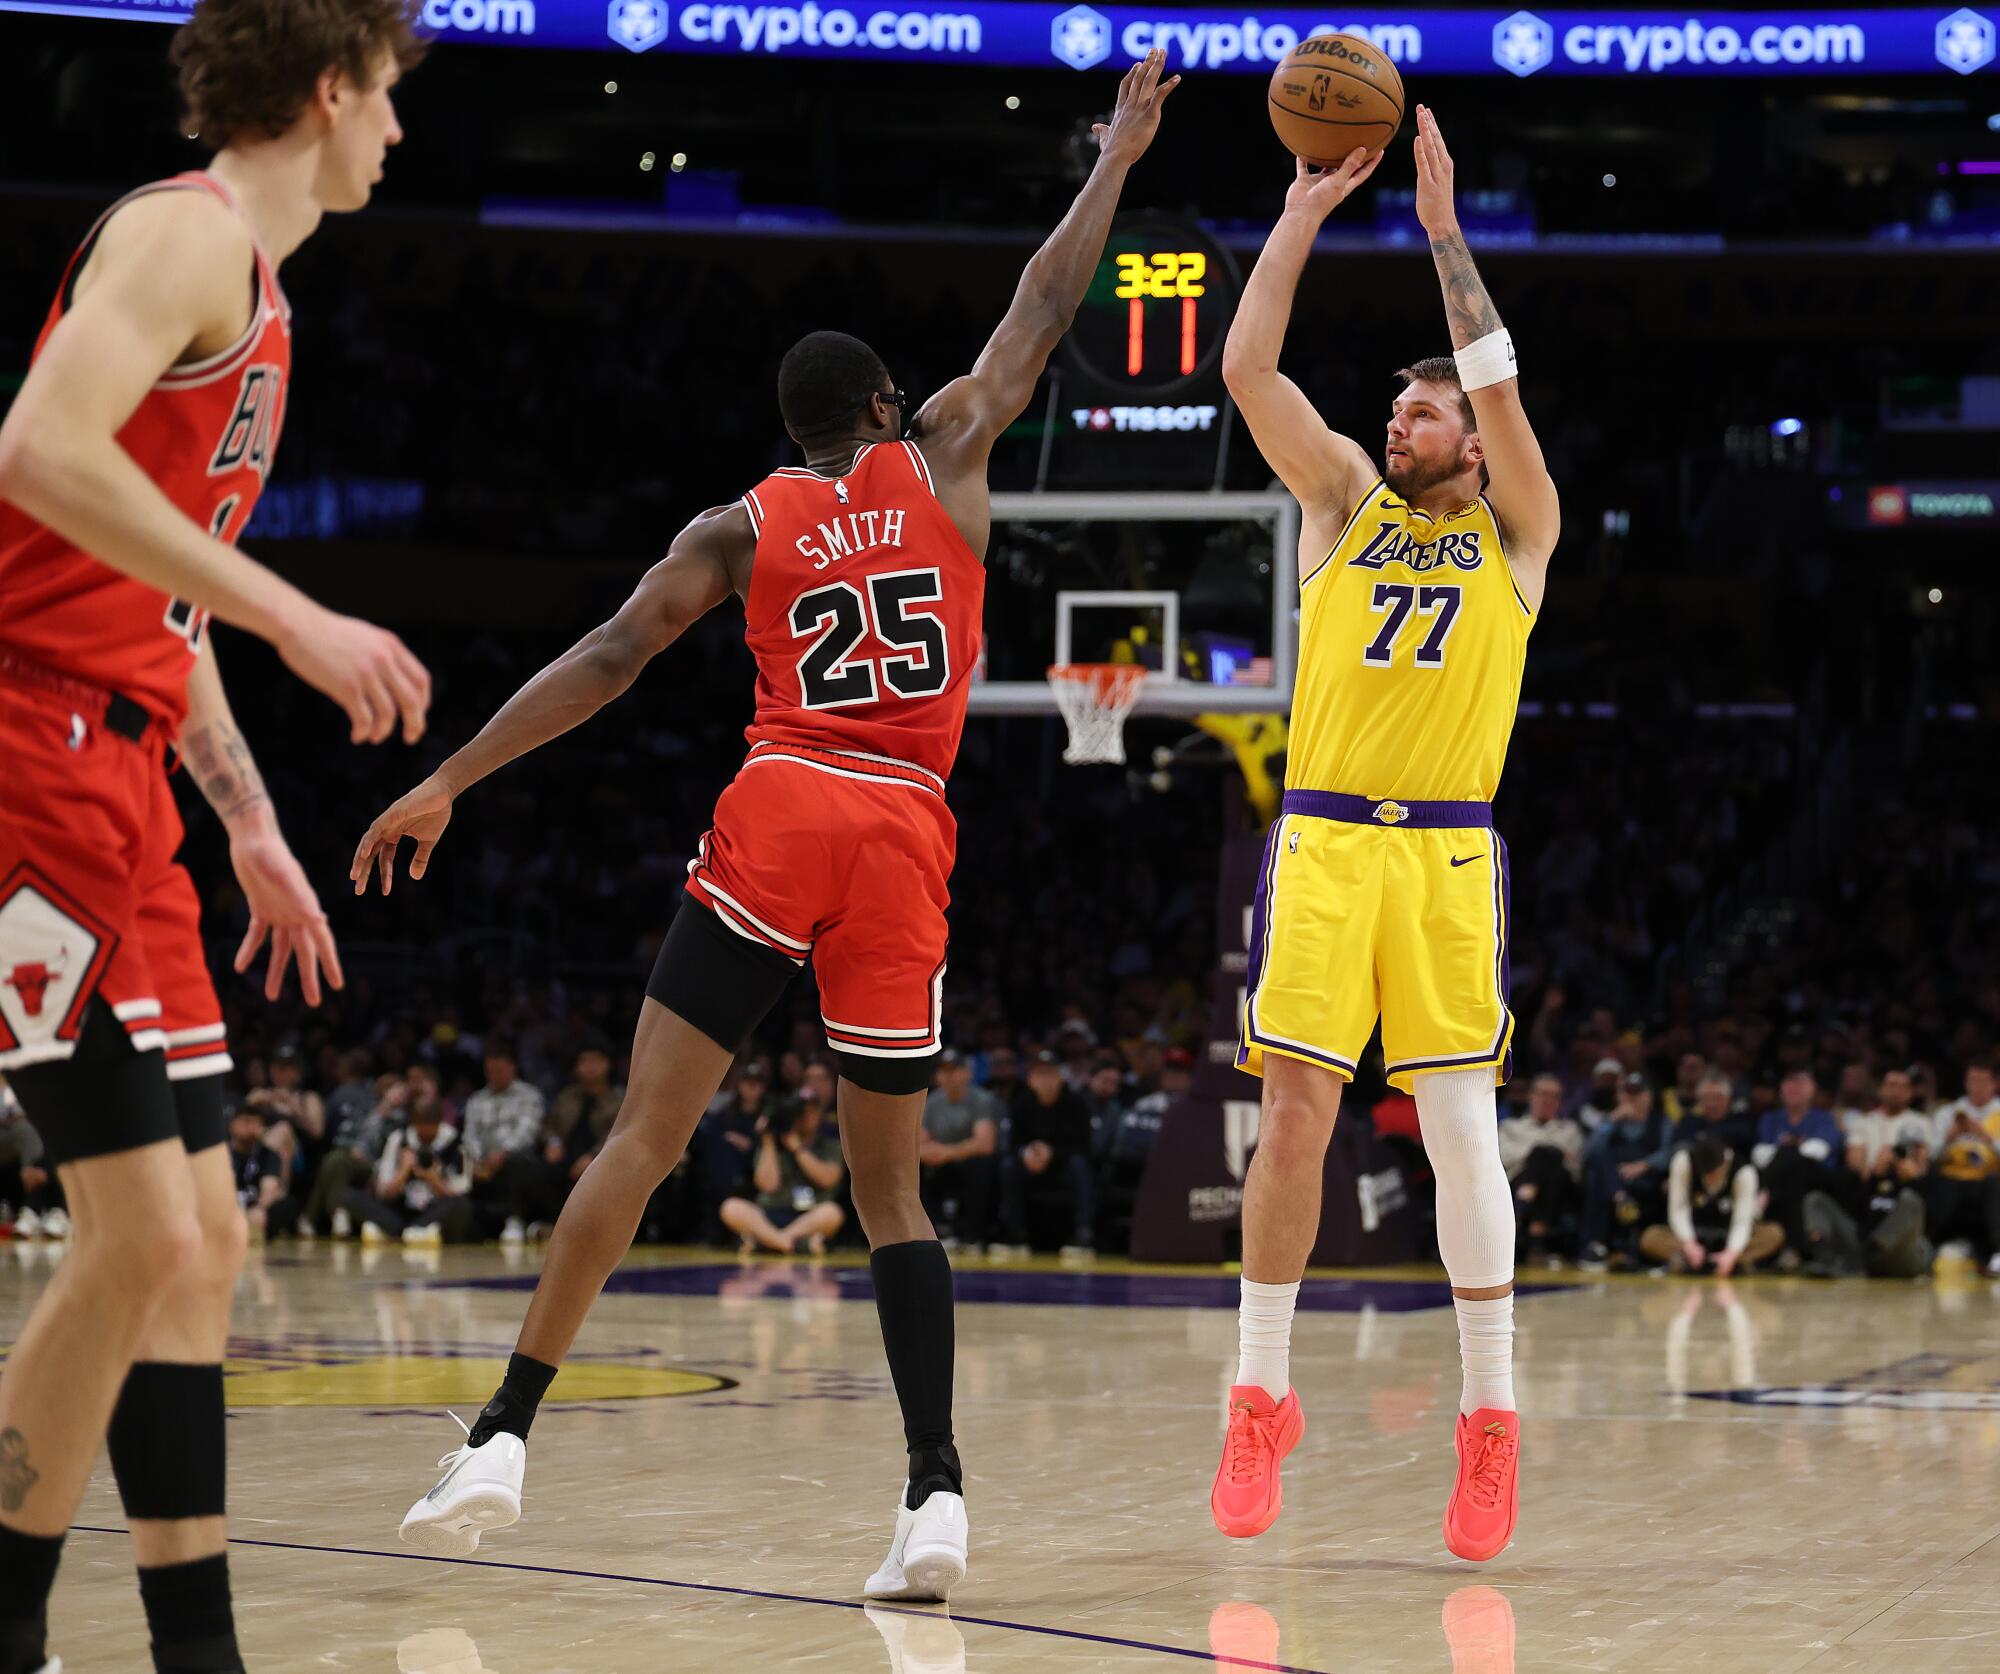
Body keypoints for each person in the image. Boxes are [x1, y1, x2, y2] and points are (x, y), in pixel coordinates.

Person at [352, 53, 1180, 1603]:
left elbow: (606, 659)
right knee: (892, 1193)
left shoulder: (737, 526)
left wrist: (452, 775)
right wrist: (1117, 157)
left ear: (788, 429)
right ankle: (935, 1493)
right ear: (879, 408)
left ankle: (504, 1437)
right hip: (905, 830)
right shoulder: (942, 453)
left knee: (645, 1137)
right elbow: (1043, 309)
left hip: (782, 804)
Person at [0, 5, 431, 1670]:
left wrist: (249, 817)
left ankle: (202, 1652)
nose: (397, 135)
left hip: (125, 776)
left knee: (208, 1240)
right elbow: (36, 451)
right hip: (28, 752)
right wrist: (299, 617)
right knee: (140, 1231)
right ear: (330, 91)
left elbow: (153, 602)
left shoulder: (263, 301)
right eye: (389, 99)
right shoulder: (185, 236)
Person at [1215, 106, 1560, 1561]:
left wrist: (1440, 234)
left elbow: (1499, 383)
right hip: (1325, 841)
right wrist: (1301, 210)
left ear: (1471, 441)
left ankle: (1490, 1425)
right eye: (1400, 407)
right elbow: (1245, 369)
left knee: (1462, 1132)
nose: (1399, 418)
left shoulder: (1520, 530)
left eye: (1424, 411)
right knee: (1293, 1112)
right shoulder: (1346, 499)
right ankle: (1258, 1395)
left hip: (1448, 856)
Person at [720, 1081, 846, 1255]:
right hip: (768, 1215)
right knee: (731, 1207)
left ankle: (768, 1242)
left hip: (808, 1217)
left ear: (819, 1114)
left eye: (812, 1110)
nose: (807, 1116)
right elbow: (767, 1185)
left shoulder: (830, 1145)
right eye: (802, 1112)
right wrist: (768, 1140)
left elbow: (828, 1180)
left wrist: (797, 1148)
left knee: (832, 1213)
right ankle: (795, 1244)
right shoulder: (772, 1144)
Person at [997, 1051, 1097, 1256]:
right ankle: (1015, 1232)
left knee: (1080, 1165)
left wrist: (1052, 1153)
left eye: (1051, 1074)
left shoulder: (1076, 1104)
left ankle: (1083, 1231)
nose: (1046, 1080)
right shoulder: (1021, 1104)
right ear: (1030, 1080)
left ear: (1061, 1078)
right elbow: (1012, 1143)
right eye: (1040, 1074)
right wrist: (1027, 1152)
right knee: (1008, 1166)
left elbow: (1083, 1146)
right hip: (1031, 1164)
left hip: (1063, 1165)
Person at [1637, 1139, 1784, 1275]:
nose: (1709, 1180)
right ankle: (1693, 1260)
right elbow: (1678, 1209)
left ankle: (1726, 1262)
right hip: (1693, 1235)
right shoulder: (1683, 1161)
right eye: (1705, 1175)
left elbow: (1742, 1221)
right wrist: (1689, 1244)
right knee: (1650, 1237)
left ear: (1724, 1164)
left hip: (1727, 1236)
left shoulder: (1744, 1172)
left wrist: (1731, 1253)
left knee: (1774, 1234)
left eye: (1714, 1174)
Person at [349, 1097, 474, 1247]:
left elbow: (460, 1193)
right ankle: (410, 1231)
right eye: (420, 1131)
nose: (424, 1137)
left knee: (462, 1205)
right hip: (400, 1209)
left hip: (435, 1211)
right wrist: (403, 1171)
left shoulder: (456, 1144)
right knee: (350, 1197)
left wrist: (433, 1179)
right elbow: (383, 1192)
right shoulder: (398, 1140)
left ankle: (406, 1230)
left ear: (440, 1123)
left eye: (430, 1133)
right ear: (413, 1123)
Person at [460, 1041, 547, 1244]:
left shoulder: (529, 1095)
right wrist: (476, 1160)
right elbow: (470, 1134)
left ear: (512, 1067)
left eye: (499, 1070)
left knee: (516, 1160)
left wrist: (501, 1153)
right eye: (490, 1071)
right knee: (461, 1163)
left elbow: (527, 1131)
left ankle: (515, 1219)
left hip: (517, 1162)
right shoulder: (476, 1099)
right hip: (484, 1164)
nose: (494, 1075)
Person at [1496, 1074, 1585, 1261]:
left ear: (1560, 1101)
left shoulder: (1570, 1129)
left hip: (1561, 1189)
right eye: (1543, 1094)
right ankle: (1538, 1234)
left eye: (1554, 1096)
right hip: (1517, 1181)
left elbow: (1576, 1165)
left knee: (1551, 1162)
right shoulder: (1510, 1127)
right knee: (1546, 1154)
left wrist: (1536, 1152)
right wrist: (1540, 1152)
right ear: (1531, 1096)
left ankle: (1520, 1214)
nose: (1547, 1100)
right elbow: (1504, 1158)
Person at [919, 1050, 1001, 1247]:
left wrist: (946, 1152)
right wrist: (928, 1153)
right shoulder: (931, 1102)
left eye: (955, 1070)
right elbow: (919, 1143)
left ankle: (973, 1234)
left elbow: (985, 1144)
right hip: (941, 1163)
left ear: (968, 1073)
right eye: (944, 1071)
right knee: (914, 1168)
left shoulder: (982, 1099)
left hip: (969, 1163)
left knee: (982, 1166)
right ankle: (930, 1230)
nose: (949, 1076)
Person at [225, 1103, 291, 1241]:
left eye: (256, 1123)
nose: (250, 1128)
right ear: (232, 1125)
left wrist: (260, 1208)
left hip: (253, 1206)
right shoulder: (222, 1153)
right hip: (227, 1207)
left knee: (284, 1206)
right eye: (246, 1122)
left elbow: (270, 1187)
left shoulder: (268, 1154)